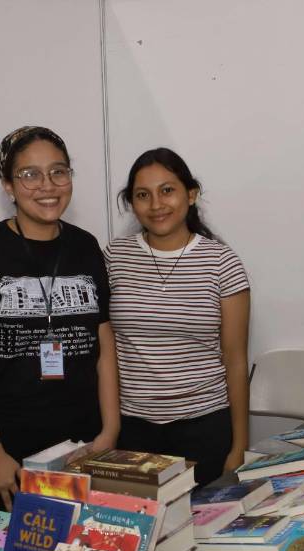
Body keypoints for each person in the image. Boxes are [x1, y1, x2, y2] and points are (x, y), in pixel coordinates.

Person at [0, 126, 120, 509]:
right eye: (30, 174)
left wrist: (110, 430)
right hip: (4, 451)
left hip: (80, 446)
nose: (47, 185)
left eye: (58, 171)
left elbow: (104, 344)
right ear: (7, 184)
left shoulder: (85, 247)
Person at [107, 148, 251, 486]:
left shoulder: (222, 263)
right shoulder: (113, 257)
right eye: (143, 195)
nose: (156, 204)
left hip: (205, 426)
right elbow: (104, 348)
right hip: (132, 430)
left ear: (191, 193)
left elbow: (236, 359)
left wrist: (240, 443)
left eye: (167, 190)